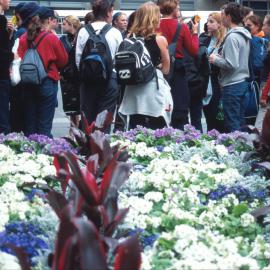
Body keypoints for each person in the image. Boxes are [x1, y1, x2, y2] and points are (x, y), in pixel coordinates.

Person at [118, 1, 172, 130]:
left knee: (135, 129)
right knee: (157, 129)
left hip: (132, 91)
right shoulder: (160, 40)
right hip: (152, 91)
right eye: (158, 16)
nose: (160, 19)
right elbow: (166, 69)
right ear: (152, 18)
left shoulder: (128, 40)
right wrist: (156, 66)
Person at [18, 6, 68, 137]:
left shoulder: (24, 38)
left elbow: (19, 57)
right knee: (44, 124)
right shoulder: (51, 38)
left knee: (30, 123)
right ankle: (44, 153)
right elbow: (63, 60)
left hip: (28, 82)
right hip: (47, 81)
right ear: (49, 20)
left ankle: (29, 153)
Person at [76, 0, 122, 129]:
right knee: (103, 120)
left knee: (87, 118)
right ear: (108, 12)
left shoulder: (83, 31)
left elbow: (78, 59)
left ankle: (87, 146)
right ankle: (102, 146)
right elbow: (119, 58)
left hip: (87, 80)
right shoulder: (115, 32)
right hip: (109, 80)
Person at [209, 3, 251, 132]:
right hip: (240, 83)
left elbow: (232, 64)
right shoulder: (243, 34)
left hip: (232, 85)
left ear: (228, 17)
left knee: (232, 123)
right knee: (239, 121)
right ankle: (244, 148)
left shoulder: (232, 36)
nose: (221, 18)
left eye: (223, 15)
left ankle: (237, 150)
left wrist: (215, 59)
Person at [158, 0, 199, 130]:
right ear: (174, 9)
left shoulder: (154, 26)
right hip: (178, 69)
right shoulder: (182, 27)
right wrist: (195, 34)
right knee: (179, 105)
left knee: (160, 104)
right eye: (178, 7)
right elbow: (193, 51)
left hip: (159, 69)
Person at [202, 12, 226, 132]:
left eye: (211, 21)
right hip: (206, 82)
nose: (208, 24)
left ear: (220, 24)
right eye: (207, 21)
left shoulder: (225, 41)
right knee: (208, 115)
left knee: (217, 115)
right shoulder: (205, 40)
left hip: (218, 82)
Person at [60, 15, 81, 127]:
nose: (62, 26)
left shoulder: (81, 37)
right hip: (67, 75)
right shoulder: (63, 39)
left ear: (71, 24)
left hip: (79, 75)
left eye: (64, 23)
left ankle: (78, 129)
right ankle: (73, 128)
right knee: (71, 105)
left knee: (81, 104)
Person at [0, 0, 14, 134]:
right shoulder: (2, 20)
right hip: (2, 75)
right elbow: (4, 51)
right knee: (3, 116)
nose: (9, 1)